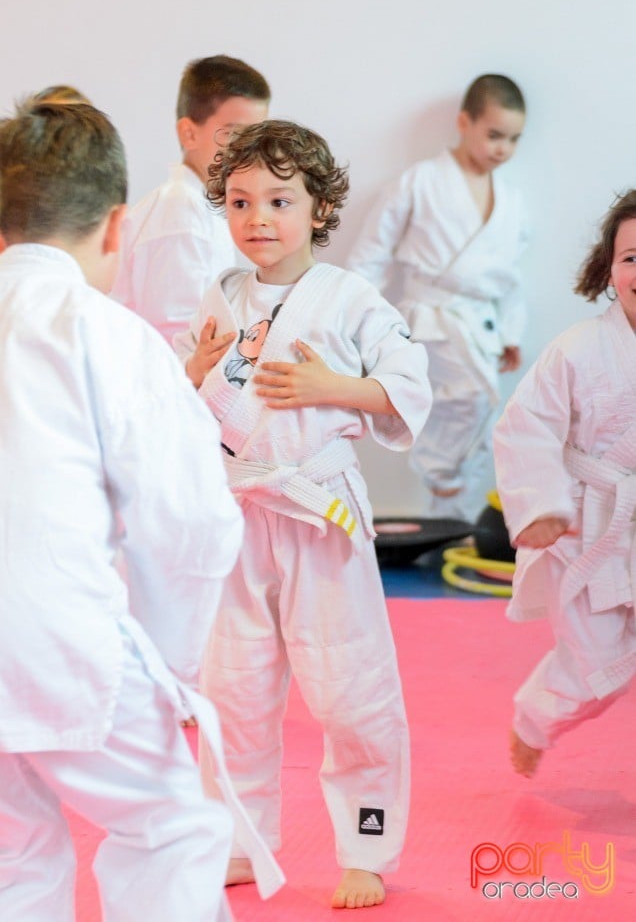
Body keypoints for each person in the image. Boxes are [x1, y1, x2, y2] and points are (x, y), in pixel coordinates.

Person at [0, 100, 283, 922]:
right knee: (170, 828)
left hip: (35, 632)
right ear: (118, 227)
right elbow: (189, 523)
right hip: (60, 636)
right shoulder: (105, 333)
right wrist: (170, 668)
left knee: (13, 851)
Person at [174, 120, 432, 909]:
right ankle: (240, 843)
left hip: (317, 513)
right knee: (234, 686)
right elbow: (181, 395)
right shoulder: (220, 293)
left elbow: (408, 384)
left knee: (350, 683)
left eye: (280, 200)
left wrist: (335, 389)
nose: (258, 218)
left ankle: (366, 845)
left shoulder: (350, 298)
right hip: (238, 509)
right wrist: (194, 369)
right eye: (241, 201)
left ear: (321, 208)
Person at [494, 190, 636, 778]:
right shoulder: (576, 351)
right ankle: (534, 718)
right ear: (609, 269)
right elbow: (525, 427)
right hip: (587, 525)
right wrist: (539, 506)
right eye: (631, 257)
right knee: (600, 664)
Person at [348, 74, 528, 522]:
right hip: (431, 319)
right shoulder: (420, 181)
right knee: (467, 402)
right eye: (494, 135)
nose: (502, 148)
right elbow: (372, 253)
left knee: (484, 421)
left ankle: (456, 520)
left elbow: (508, 277)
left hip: (480, 325)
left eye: (513, 139)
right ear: (464, 122)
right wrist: (353, 322)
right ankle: (444, 495)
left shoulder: (511, 200)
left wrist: (508, 330)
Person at [111, 54, 270, 343]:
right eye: (234, 135)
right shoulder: (182, 213)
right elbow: (177, 335)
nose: (249, 150)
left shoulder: (201, 206)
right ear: (189, 133)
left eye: (257, 137)